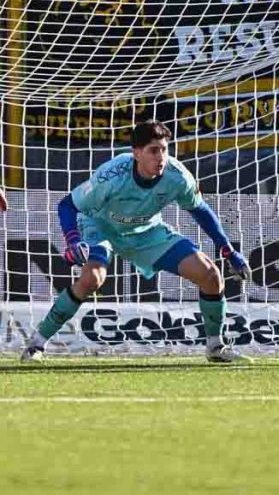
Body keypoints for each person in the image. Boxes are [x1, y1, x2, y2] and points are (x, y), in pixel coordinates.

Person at [20, 121, 252, 364]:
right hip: (101, 225)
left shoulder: (178, 177)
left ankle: (215, 346)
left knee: (211, 275)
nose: (160, 157)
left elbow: (200, 209)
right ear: (136, 153)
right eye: (153, 150)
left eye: (164, 149)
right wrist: (73, 241)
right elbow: (67, 205)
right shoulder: (111, 175)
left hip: (146, 231)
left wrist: (229, 251)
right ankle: (36, 344)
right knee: (91, 279)